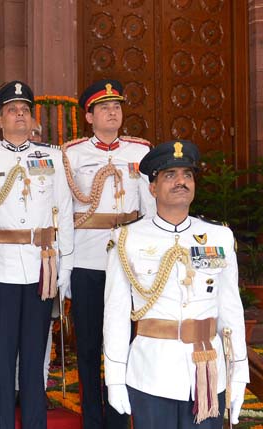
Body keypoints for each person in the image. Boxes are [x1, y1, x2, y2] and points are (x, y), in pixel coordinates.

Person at [103, 140, 249, 428]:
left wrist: (239, 372)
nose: (181, 181)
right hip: (152, 374)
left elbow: (231, 308)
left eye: (187, 175)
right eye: (169, 175)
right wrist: (115, 378)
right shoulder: (127, 239)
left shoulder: (218, 237)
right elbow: (116, 315)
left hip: (207, 372)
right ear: (152, 188)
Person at [0, 80, 74, 429]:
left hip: (41, 269)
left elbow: (65, 214)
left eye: (25, 110)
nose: (19, 116)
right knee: (2, 356)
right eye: (12, 110)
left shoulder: (53, 156)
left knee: (33, 356)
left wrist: (65, 269)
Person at [63, 78, 155, 429]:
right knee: (87, 345)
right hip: (88, 261)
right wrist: (65, 267)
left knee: (124, 343)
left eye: (116, 106)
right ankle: (91, 418)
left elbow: (148, 211)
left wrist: (147, 261)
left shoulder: (140, 152)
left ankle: (119, 418)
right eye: (104, 107)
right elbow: (66, 213)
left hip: (127, 265)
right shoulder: (71, 154)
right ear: (89, 116)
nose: (112, 112)